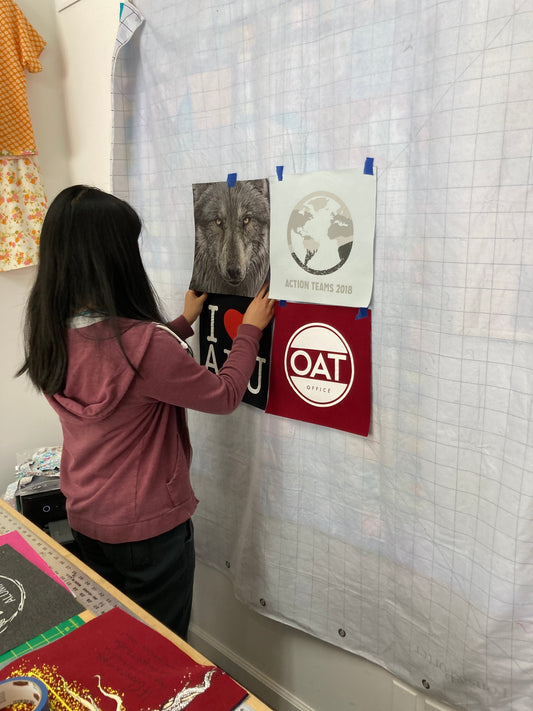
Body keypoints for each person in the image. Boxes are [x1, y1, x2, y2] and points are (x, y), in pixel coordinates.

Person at [17, 184, 275, 640]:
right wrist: (250, 331)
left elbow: (121, 369)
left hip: (87, 516)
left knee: (116, 635)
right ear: (115, 259)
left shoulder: (49, 335)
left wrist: (182, 323)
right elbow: (223, 394)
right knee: (162, 647)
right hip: (149, 534)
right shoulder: (147, 347)